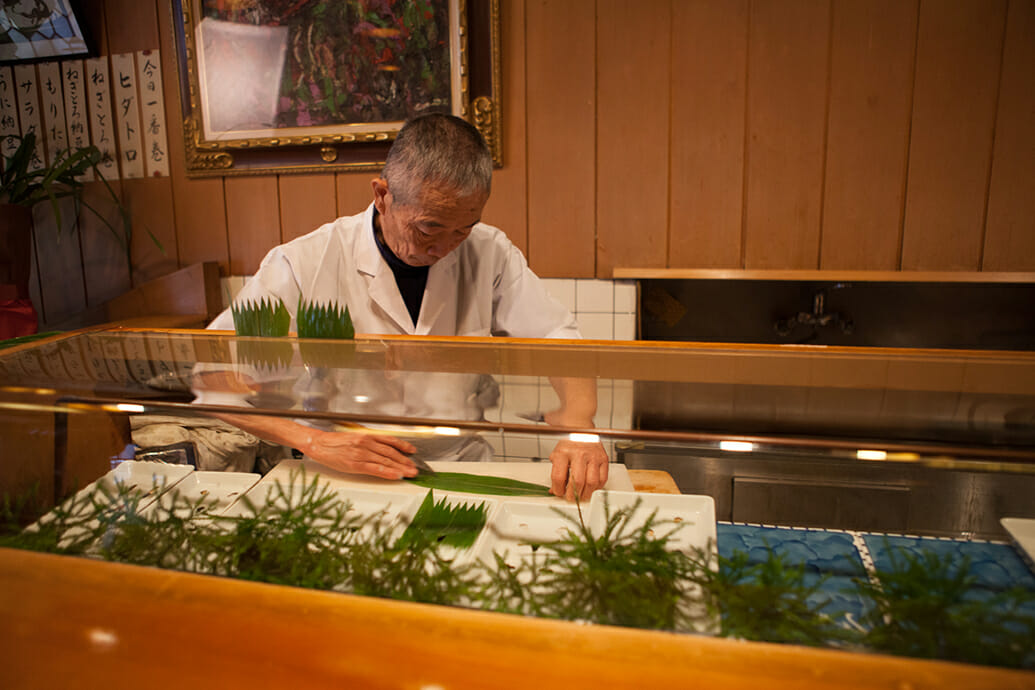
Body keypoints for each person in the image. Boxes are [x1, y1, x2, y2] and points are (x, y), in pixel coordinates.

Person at [202, 113, 608, 500]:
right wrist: (316, 441)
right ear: (382, 195)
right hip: (339, 468)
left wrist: (578, 428)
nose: (445, 246)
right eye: (429, 227)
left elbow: (557, 338)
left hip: (460, 465)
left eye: (462, 229)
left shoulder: (490, 251)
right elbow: (212, 375)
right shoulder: (305, 261)